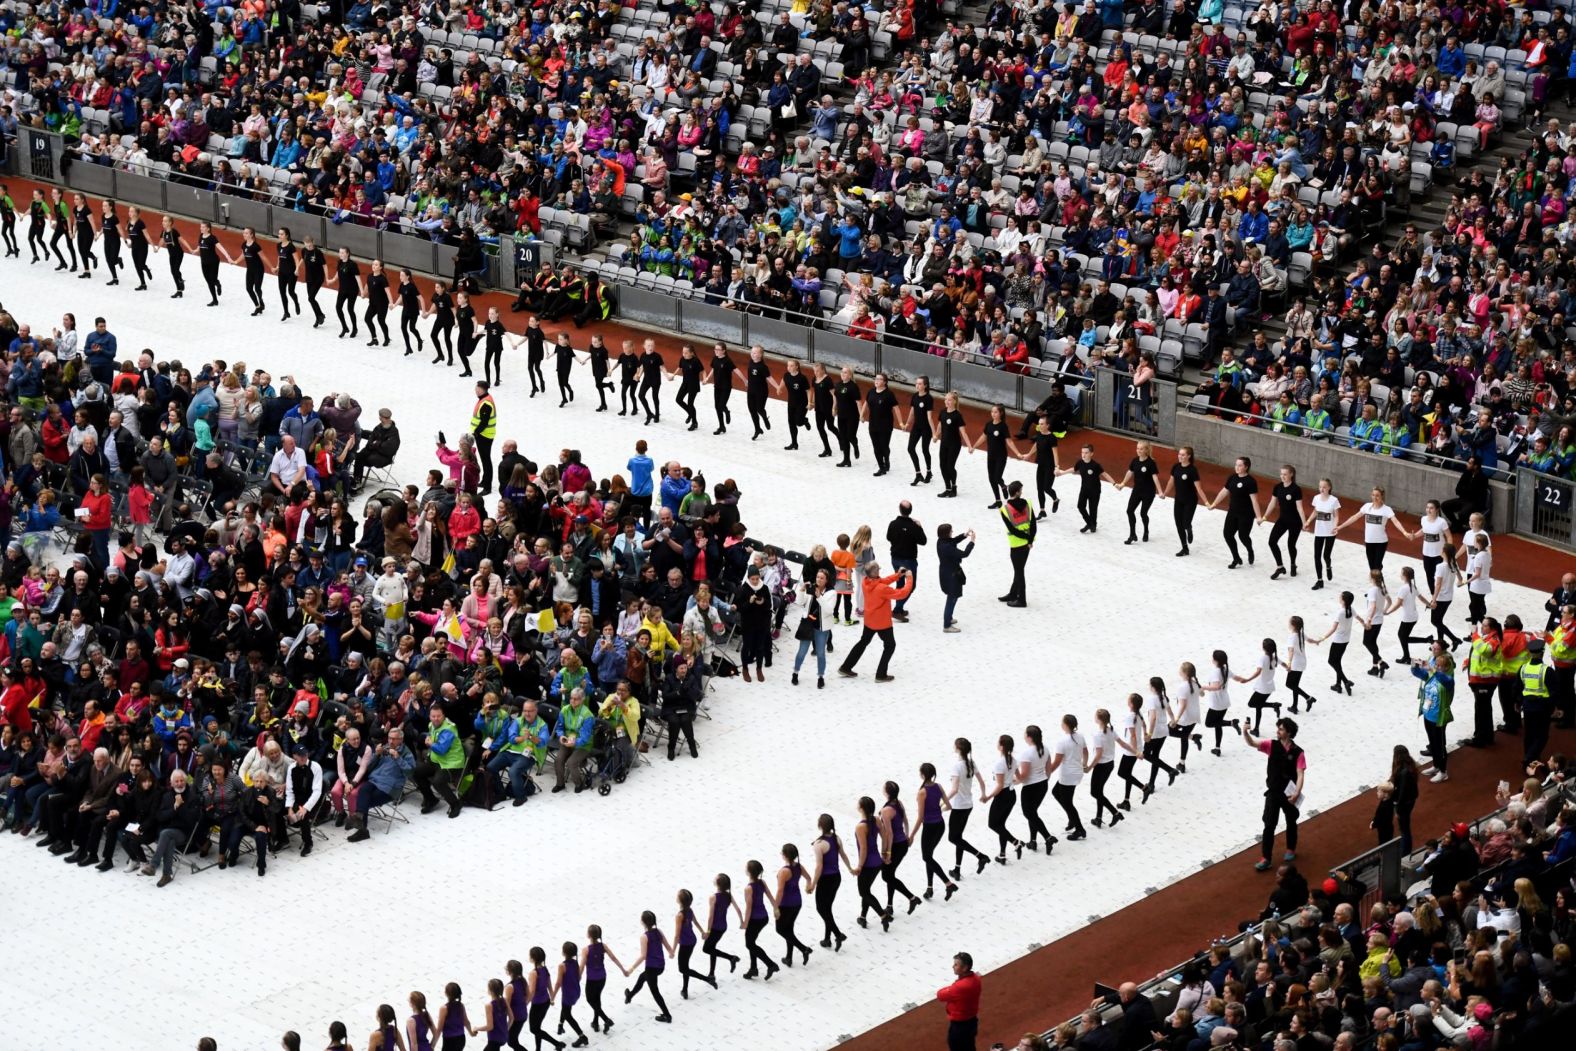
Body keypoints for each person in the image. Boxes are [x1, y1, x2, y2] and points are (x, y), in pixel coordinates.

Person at [1243, 717, 1305, 872]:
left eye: (1281, 729)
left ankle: (1290, 848)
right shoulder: (1271, 745)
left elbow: (1300, 774)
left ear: (1289, 732)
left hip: (1289, 793)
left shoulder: (1298, 752)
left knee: (1291, 820)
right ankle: (1266, 858)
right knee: (1269, 825)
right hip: (1273, 792)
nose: (1278, 731)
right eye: (1278, 728)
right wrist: (1245, 732)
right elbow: (1252, 743)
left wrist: (1297, 792)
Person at [836, 563, 913, 682]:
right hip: (882, 623)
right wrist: (909, 578)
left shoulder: (865, 582)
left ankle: (846, 667)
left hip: (869, 620)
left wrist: (898, 575)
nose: (879, 570)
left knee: (863, 642)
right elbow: (901, 594)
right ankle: (881, 674)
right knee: (890, 645)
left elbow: (883, 581)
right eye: (878, 569)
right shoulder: (881, 589)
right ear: (875, 573)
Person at [413, 702, 465, 818]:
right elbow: (432, 737)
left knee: (438, 782)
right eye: (433, 716)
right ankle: (431, 799)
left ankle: (456, 804)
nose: (435, 719)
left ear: (444, 716)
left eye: (438, 716)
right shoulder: (431, 725)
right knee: (415, 771)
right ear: (430, 716)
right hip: (437, 761)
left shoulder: (449, 729)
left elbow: (441, 749)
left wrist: (430, 744)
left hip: (452, 764)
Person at [1209, 456, 1262, 569]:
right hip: (1233, 512)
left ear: (1246, 467)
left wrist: (1258, 517)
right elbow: (1224, 492)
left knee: (1243, 536)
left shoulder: (1251, 482)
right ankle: (1236, 558)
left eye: (1240, 465)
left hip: (1246, 514)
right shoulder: (1232, 478)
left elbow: (1254, 500)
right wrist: (1214, 504)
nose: (1237, 467)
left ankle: (1249, 549)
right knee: (1227, 534)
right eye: (1236, 465)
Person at [1413, 642, 1455, 783]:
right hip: (1428, 714)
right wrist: (1415, 666)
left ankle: (1443, 771)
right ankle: (1436, 765)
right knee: (1432, 742)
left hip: (1439, 716)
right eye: (1436, 665)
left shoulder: (1448, 680)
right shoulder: (1433, 675)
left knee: (1439, 745)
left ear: (1446, 668)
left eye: (1440, 666)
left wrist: (1433, 670)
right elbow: (1421, 674)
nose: (1437, 667)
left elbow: (1442, 678)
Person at [624, 911, 673, 1023]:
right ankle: (630, 995)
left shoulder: (644, 937)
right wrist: (671, 953)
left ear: (643, 922)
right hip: (661, 966)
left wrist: (631, 969)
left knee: (655, 992)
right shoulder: (659, 932)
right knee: (642, 978)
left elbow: (643, 956)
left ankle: (667, 1015)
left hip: (651, 968)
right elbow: (667, 946)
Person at [1162, 445, 1207, 557]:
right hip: (1179, 500)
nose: (1180, 456)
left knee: (1186, 522)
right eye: (1179, 454)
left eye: (1183, 455)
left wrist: (1206, 502)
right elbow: (1170, 482)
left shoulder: (1192, 470)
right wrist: (1165, 493)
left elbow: (1199, 488)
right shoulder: (1176, 467)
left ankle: (1189, 528)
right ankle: (1184, 547)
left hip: (1190, 501)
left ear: (1188, 456)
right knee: (1178, 524)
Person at [1059, 444, 1114, 533]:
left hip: (1095, 490)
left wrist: (1114, 483)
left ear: (1091, 453)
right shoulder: (1080, 462)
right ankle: (1089, 523)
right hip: (1084, 489)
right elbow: (1073, 469)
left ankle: (1093, 525)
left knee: (1093, 508)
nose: (1083, 455)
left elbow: (1105, 474)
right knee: (1080, 506)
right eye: (1082, 452)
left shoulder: (1095, 465)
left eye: (1086, 453)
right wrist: (1062, 473)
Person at [886, 501, 926, 621]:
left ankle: (899, 605)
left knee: (900, 583)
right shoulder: (914, 526)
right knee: (911, 585)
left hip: (895, 558)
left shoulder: (893, 524)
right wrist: (920, 527)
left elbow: (888, 537)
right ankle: (897, 609)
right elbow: (923, 541)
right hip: (909, 561)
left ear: (900, 509)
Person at [999, 481, 1036, 608]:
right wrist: (1030, 540)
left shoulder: (1005, 510)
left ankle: (1022, 600)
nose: (1022, 492)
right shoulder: (1028, 504)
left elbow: (1013, 530)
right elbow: (1033, 525)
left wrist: (1025, 538)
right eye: (1021, 490)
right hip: (1027, 545)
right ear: (1017, 492)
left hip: (1016, 544)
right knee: (1019, 570)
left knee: (1019, 571)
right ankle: (1013, 594)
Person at [937, 951, 982, 1051]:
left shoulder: (960, 987)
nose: (953, 966)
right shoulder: (976, 979)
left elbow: (940, 995)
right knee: (970, 1046)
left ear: (965, 968)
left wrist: (951, 988)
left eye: (956, 964)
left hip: (960, 1027)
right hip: (971, 1022)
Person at [936, 525, 975, 633]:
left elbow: (953, 541)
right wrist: (972, 542)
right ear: (946, 533)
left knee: (952, 597)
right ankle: (947, 625)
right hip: (951, 575)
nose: (952, 531)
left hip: (946, 572)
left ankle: (949, 618)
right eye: (950, 531)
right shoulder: (947, 548)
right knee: (951, 599)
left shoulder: (941, 541)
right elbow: (964, 554)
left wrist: (964, 535)